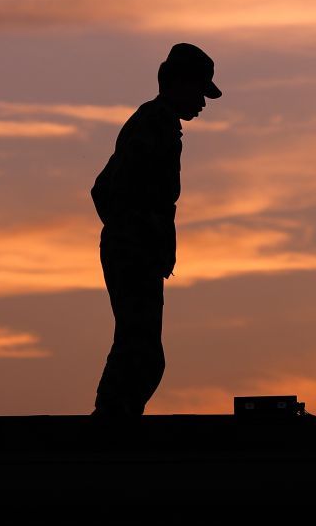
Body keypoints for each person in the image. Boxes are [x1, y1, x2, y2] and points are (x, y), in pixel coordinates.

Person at [91, 42, 222, 416]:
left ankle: (113, 419)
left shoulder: (156, 123)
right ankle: (110, 423)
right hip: (135, 253)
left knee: (140, 348)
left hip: (135, 251)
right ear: (178, 83)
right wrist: (138, 233)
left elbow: (105, 188)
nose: (203, 101)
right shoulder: (154, 124)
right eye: (200, 90)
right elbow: (111, 189)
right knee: (141, 350)